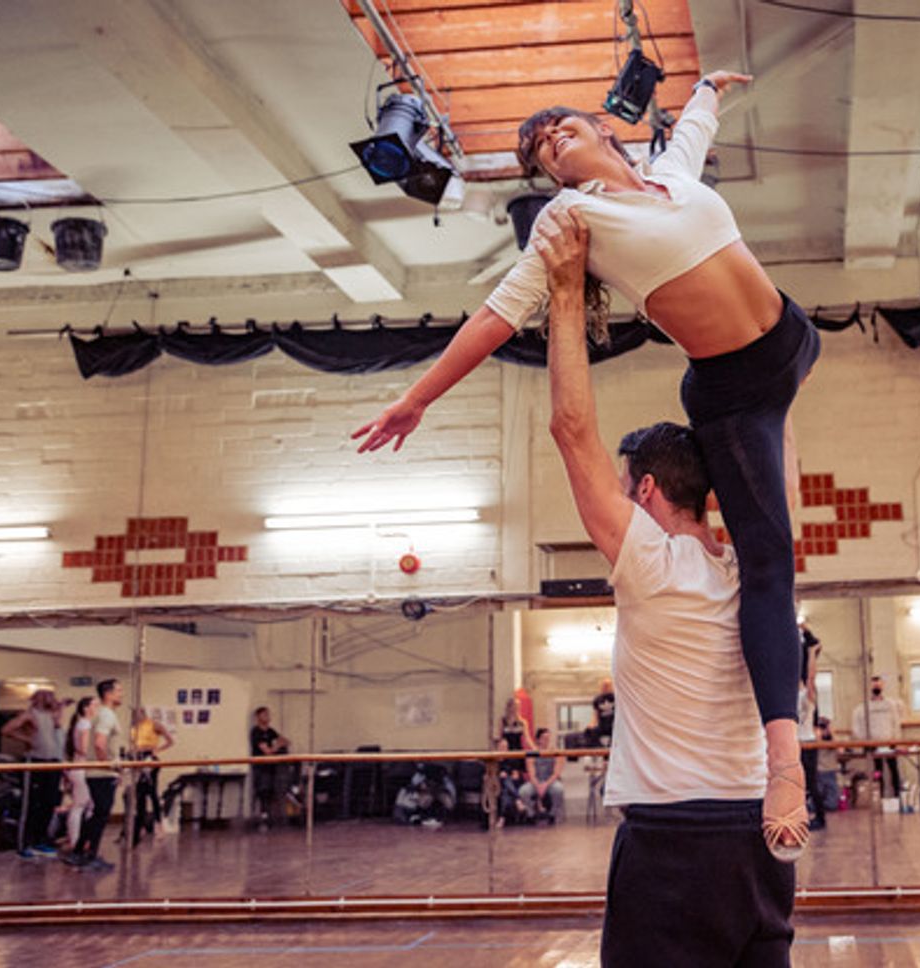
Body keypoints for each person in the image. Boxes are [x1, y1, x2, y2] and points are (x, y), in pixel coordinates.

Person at [352, 69, 821, 852]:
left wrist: (706, 89)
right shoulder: (572, 220)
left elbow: (695, 132)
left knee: (765, 555)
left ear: (605, 131)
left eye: (561, 130)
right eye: (541, 153)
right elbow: (498, 316)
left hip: (792, 344)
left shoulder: (670, 175)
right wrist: (420, 398)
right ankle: (783, 760)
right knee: (769, 568)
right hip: (738, 394)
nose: (554, 149)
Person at [536, 207, 794, 966]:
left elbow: (570, 429)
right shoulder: (755, 570)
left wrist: (562, 291)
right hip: (758, 838)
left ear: (646, 491)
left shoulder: (650, 560)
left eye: (624, 487)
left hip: (672, 842)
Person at [1, 689, 66, 858]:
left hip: (52, 763)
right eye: (46, 697)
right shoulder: (30, 715)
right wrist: (26, 739)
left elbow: (58, 733)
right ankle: (24, 844)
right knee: (32, 804)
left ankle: (41, 841)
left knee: (49, 803)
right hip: (35, 761)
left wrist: (60, 710)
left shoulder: (52, 715)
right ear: (37, 699)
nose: (50, 699)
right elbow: (6, 729)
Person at [67, 678, 122, 872]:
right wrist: (110, 766)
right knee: (101, 814)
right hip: (101, 773)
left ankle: (80, 851)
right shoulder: (106, 715)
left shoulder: (101, 714)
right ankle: (88, 855)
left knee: (98, 813)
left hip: (97, 772)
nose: (121, 694)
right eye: (118, 691)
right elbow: (99, 743)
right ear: (108, 694)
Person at [851, 675, 906, 799]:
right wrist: (865, 741)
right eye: (874, 684)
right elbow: (857, 727)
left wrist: (897, 741)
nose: (876, 686)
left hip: (890, 742)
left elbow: (896, 723)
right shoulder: (862, 708)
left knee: (894, 769)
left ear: (882, 686)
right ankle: (879, 797)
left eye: (878, 684)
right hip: (873, 744)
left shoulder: (891, 705)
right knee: (877, 771)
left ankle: (897, 797)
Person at [130, 707, 174, 845]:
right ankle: (141, 825)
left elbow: (170, 740)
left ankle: (159, 824)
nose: (137, 716)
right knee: (139, 793)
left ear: (143, 713)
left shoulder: (153, 724)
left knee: (152, 792)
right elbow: (133, 744)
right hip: (138, 760)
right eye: (134, 714)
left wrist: (157, 750)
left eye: (139, 713)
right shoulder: (133, 727)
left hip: (150, 759)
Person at [797, 629, 825, 832]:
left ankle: (821, 818)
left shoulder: (807, 696)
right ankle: (802, 817)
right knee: (798, 784)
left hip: (808, 743)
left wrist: (812, 653)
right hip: (795, 744)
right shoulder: (788, 697)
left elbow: (811, 676)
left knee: (811, 783)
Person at [63, 697, 95, 854]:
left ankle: (80, 838)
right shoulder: (86, 724)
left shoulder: (79, 723)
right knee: (82, 806)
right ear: (86, 708)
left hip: (77, 767)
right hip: (82, 768)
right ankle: (77, 840)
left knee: (83, 805)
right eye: (95, 705)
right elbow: (83, 748)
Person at [250, 706, 290, 827]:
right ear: (258, 717)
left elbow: (285, 741)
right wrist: (276, 747)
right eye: (264, 715)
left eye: (268, 714)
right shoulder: (256, 732)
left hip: (273, 767)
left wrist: (278, 745)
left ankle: (275, 817)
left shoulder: (271, 731)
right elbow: (266, 751)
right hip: (261, 767)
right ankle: (263, 816)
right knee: (263, 791)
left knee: (275, 791)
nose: (267, 717)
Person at [525, 727, 566, 824]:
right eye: (544, 738)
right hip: (536, 781)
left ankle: (552, 814)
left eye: (548, 738)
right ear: (538, 740)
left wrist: (545, 785)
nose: (546, 741)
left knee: (559, 789)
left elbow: (556, 773)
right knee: (524, 791)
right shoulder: (532, 753)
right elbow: (531, 774)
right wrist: (537, 785)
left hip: (550, 781)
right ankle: (531, 814)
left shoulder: (555, 752)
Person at [590, 677, 615, 746]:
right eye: (604, 686)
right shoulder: (597, 699)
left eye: (607, 686)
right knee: (591, 732)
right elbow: (595, 714)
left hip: (613, 725)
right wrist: (593, 723)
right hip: (603, 725)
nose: (605, 687)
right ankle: (596, 749)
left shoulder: (616, 697)